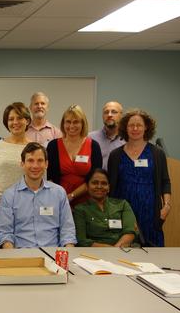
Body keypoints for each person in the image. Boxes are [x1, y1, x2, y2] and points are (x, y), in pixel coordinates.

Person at [108, 109, 171, 247]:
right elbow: (111, 187)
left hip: (151, 213)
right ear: (125, 128)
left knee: (153, 253)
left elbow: (165, 182)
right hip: (123, 213)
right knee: (123, 252)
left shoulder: (157, 153)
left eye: (139, 125)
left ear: (146, 127)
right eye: (131, 125)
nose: (135, 129)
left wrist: (166, 206)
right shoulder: (115, 155)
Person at [0, 142, 76, 249]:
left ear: (46, 164)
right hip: (21, 254)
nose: (35, 166)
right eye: (30, 160)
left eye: (40, 161)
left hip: (54, 254)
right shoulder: (9, 196)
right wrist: (12, 255)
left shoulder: (59, 193)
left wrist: (67, 254)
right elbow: (5, 234)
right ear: (22, 164)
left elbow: (68, 231)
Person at [0, 102, 29, 248]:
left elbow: (41, 179)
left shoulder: (34, 147)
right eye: (11, 119)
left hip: (25, 206)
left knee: (23, 248)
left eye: (19, 118)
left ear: (27, 120)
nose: (15, 122)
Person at [47, 105, 102, 206]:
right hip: (58, 199)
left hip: (87, 202)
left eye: (76, 122)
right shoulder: (53, 146)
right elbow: (49, 176)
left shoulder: (93, 146)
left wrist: (72, 196)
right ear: (63, 124)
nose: (71, 126)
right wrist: (61, 197)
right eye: (68, 122)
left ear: (83, 124)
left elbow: (96, 177)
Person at [73, 169, 137, 247]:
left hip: (122, 249)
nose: (99, 186)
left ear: (109, 187)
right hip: (93, 252)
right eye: (95, 183)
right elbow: (82, 240)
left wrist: (116, 250)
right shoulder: (80, 210)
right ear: (87, 186)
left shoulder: (122, 205)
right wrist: (109, 250)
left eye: (104, 183)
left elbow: (130, 232)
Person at [89, 101, 125, 168]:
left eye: (114, 112)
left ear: (121, 116)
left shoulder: (127, 139)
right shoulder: (90, 138)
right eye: (106, 112)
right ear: (102, 116)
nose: (109, 115)